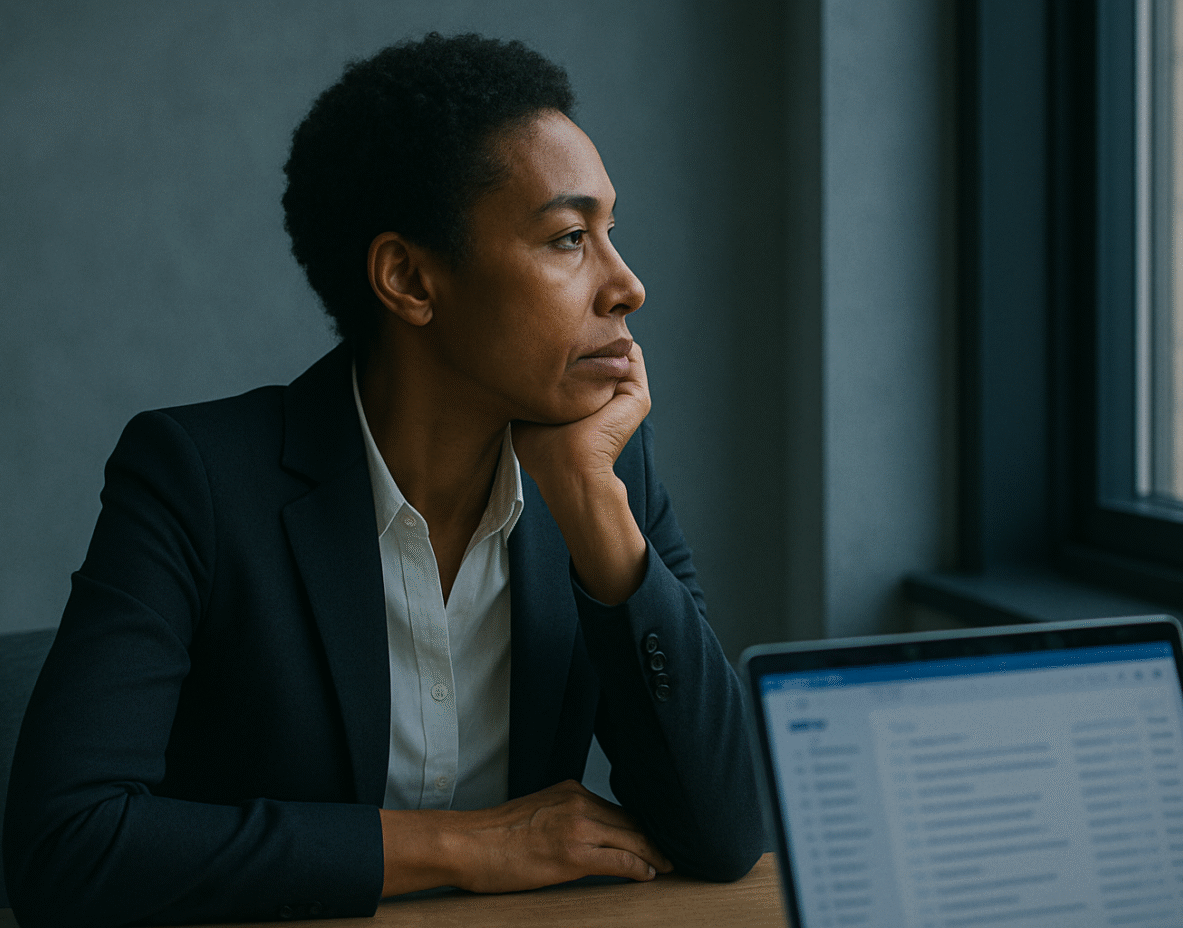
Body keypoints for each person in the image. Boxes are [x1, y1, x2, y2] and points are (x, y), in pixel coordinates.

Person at [3, 33, 763, 926]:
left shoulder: (603, 468)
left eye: (609, 233)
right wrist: (466, 846)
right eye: (568, 239)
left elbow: (724, 831)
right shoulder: (195, 480)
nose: (626, 285)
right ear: (408, 279)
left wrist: (595, 507)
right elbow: (66, 846)